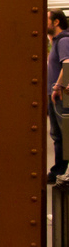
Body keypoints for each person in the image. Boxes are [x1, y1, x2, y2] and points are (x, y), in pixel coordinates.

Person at [47, 11, 69, 181]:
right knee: (58, 135)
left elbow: (67, 64)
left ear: (55, 22)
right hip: (55, 93)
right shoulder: (55, 41)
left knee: (65, 133)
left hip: (62, 94)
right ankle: (59, 171)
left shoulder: (63, 40)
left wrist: (57, 86)